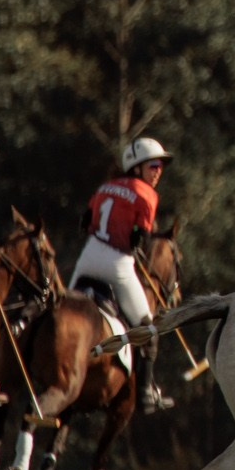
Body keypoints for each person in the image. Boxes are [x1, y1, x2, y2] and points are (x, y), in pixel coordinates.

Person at [72, 136, 176, 413]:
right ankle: (144, 394)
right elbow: (139, 237)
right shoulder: (147, 194)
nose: (158, 172)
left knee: (60, 310)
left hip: (87, 259)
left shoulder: (106, 186)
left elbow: (86, 222)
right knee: (147, 327)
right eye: (153, 165)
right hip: (117, 264)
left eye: (160, 167)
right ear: (137, 168)